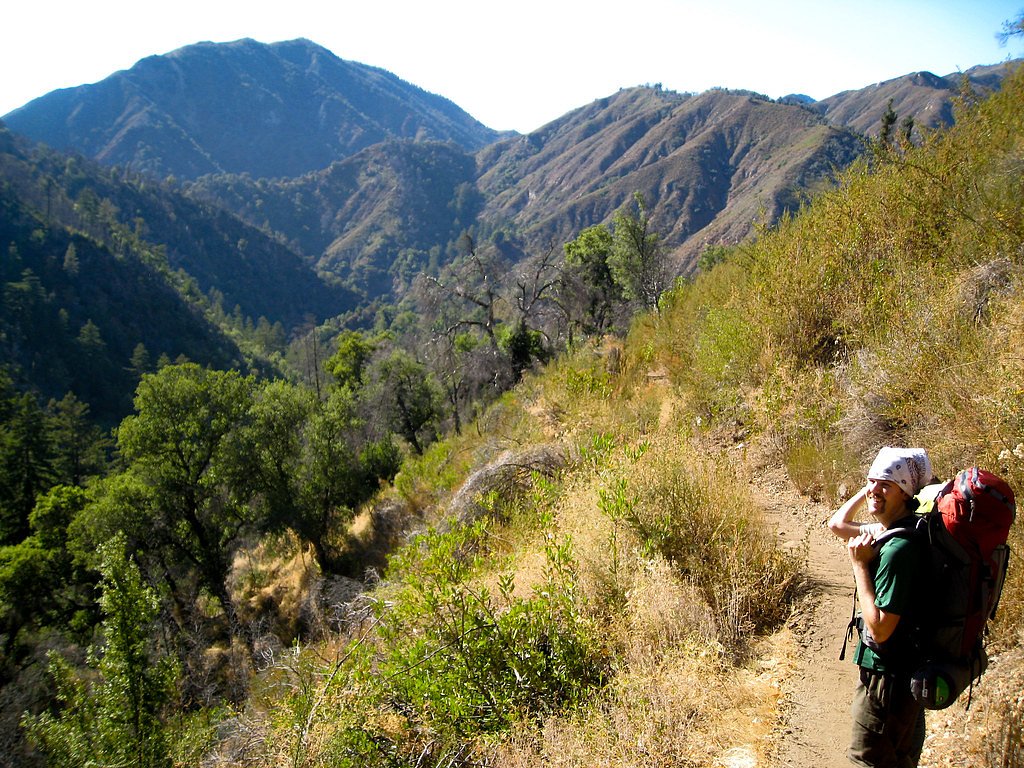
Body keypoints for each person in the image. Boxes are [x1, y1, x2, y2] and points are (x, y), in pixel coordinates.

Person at [827, 446, 934, 768]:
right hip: (906, 674)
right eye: (871, 480)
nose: (875, 488)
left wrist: (860, 566)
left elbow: (881, 629)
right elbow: (838, 524)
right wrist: (873, 489)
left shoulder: (898, 549)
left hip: (888, 679)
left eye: (886, 484)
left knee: (869, 761)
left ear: (905, 493)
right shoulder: (894, 531)